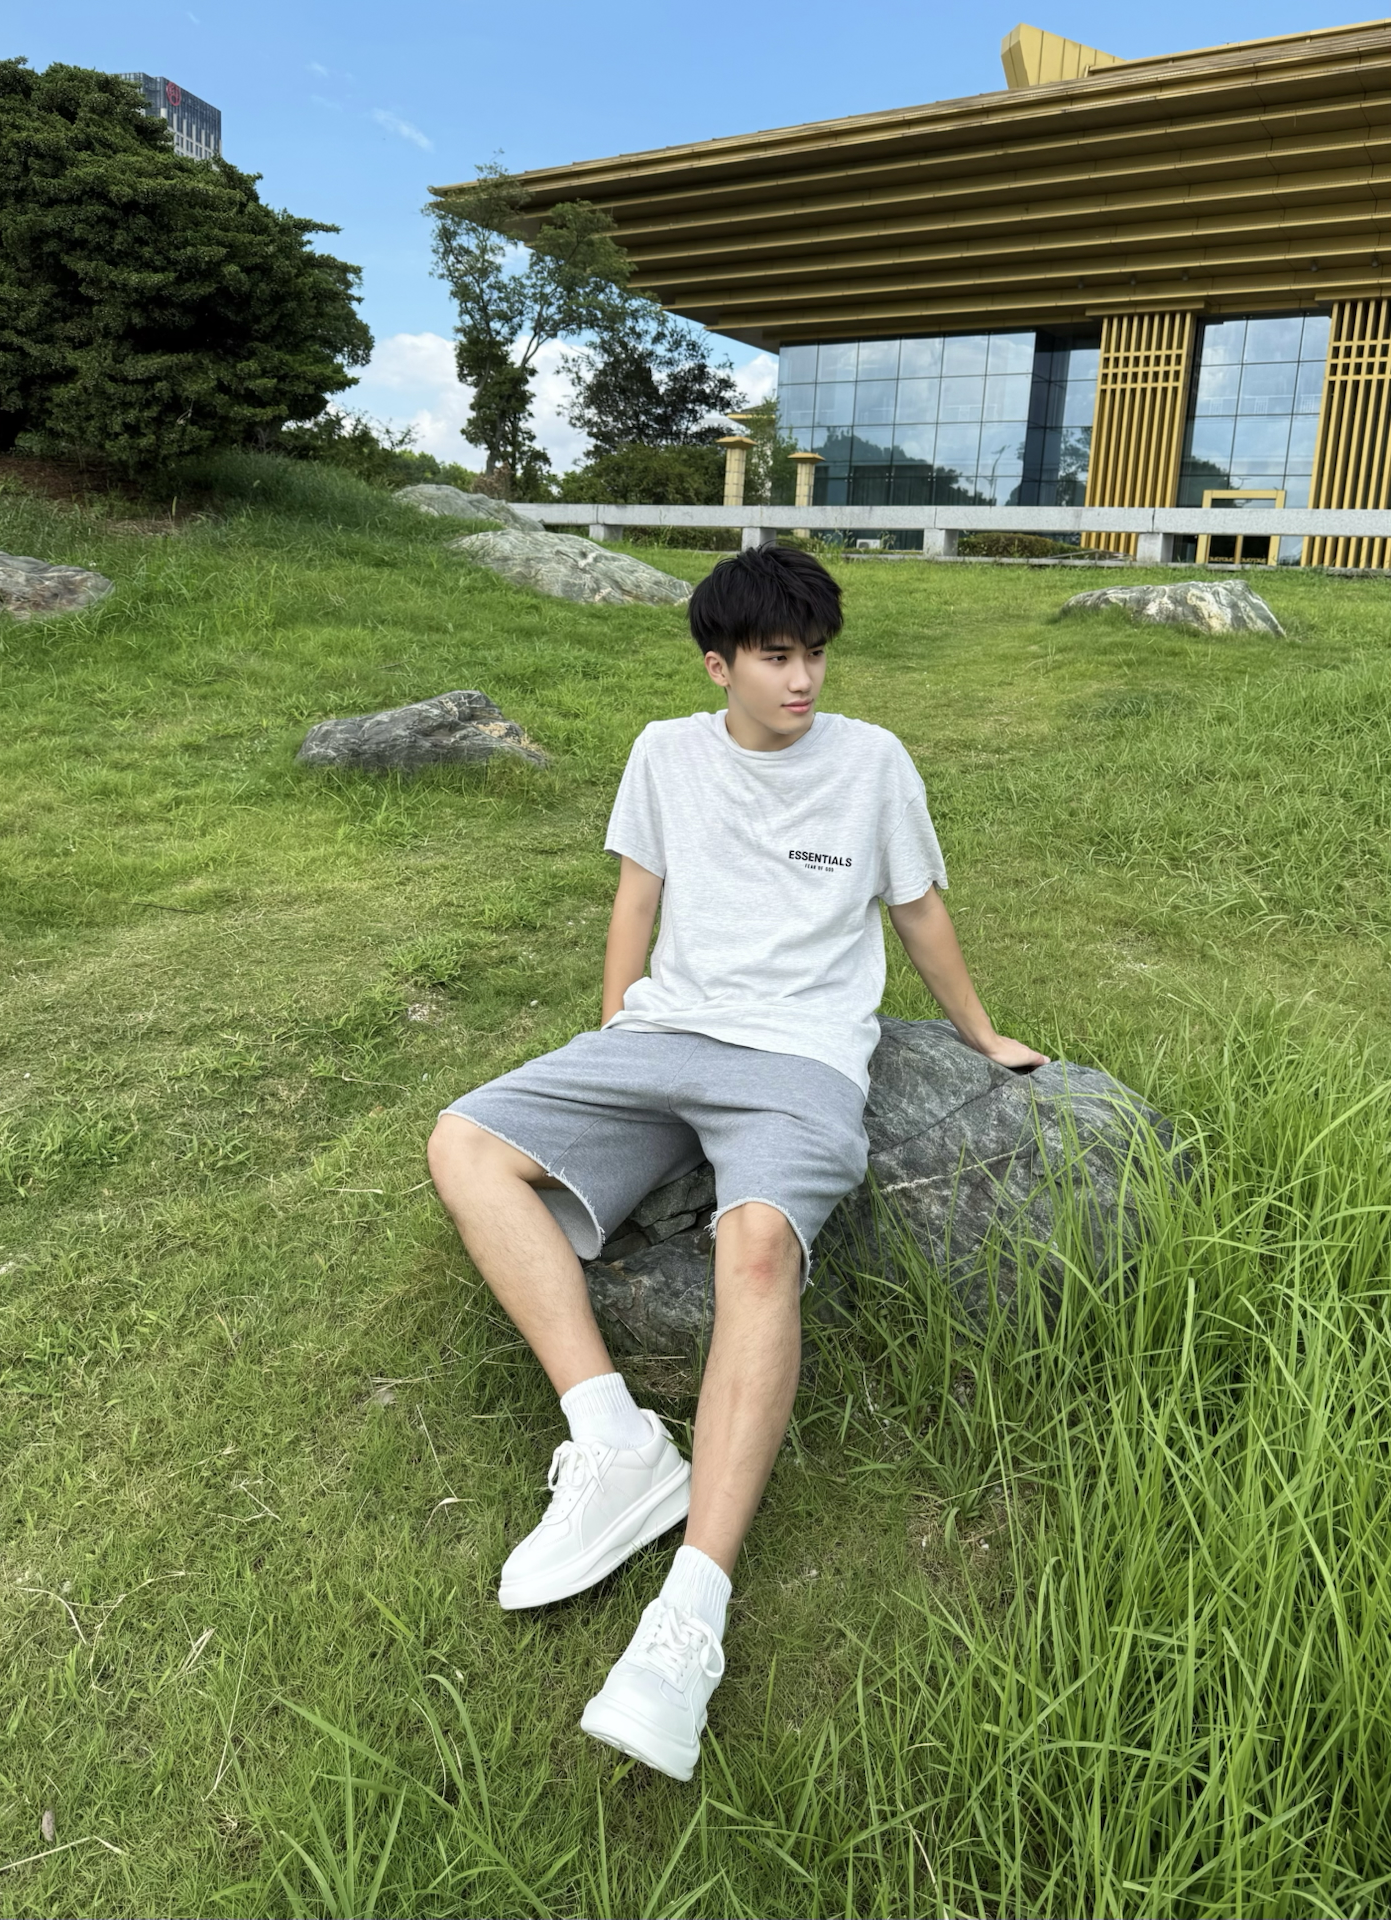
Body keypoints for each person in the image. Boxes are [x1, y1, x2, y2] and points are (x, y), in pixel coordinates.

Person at [428, 546, 1047, 1781]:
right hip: (665, 1037)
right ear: (718, 665)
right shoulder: (666, 752)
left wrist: (981, 1037)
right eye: (775, 657)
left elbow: (918, 909)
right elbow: (636, 899)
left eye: (814, 654)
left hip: (800, 1058)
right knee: (465, 1141)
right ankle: (614, 1442)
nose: (802, 678)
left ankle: (690, 1614)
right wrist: (615, 1026)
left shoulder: (872, 763)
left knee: (755, 1243)